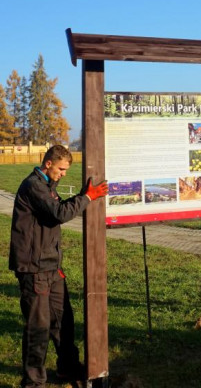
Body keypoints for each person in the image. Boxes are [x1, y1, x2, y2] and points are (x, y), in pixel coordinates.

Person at [9, 145, 108, 388]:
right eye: (62, 169)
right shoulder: (33, 186)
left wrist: (83, 195)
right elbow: (60, 213)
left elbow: (57, 211)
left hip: (52, 268)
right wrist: (87, 197)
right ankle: (33, 382)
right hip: (34, 269)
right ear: (49, 163)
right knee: (38, 328)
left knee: (64, 321)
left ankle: (68, 368)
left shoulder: (47, 186)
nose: (64, 174)